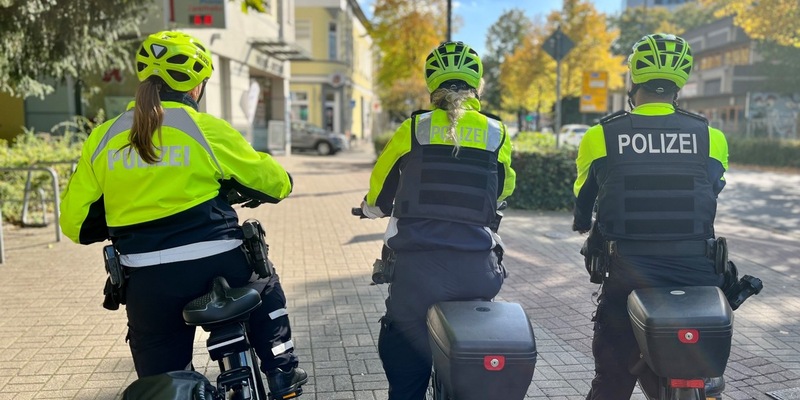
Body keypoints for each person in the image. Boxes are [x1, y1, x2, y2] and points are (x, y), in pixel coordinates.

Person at [59, 31, 307, 398]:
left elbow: (74, 224)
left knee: (161, 381)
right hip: (219, 264)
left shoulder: (103, 138)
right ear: (196, 88)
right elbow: (274, 184)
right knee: (263, 281)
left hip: (147, 280)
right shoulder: (204, 129)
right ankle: (281, 372)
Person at [572, 33, 729, 399]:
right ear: (679, 84)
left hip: (628, 273)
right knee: (705, 378)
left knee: (612, 379)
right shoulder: (711, 137)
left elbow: (584, 198)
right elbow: (711, 190)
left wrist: (583, 222)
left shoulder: (601, 136)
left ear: (633, 80)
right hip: (696, 275)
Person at [360, 41, 516, 400]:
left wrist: (371, 208)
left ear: (432, 83)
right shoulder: (496, 131)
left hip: (417, 273)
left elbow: (381, 189)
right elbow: (505, 185)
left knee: (401, 342)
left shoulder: (414, 127)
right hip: (478, 271)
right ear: (477, 83)